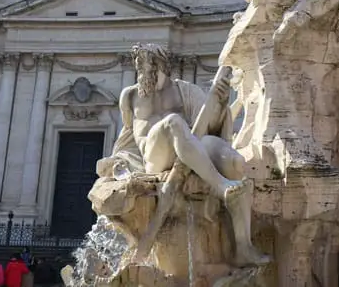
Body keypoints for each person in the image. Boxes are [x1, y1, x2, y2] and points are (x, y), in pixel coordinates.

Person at [106, 43, 268, 266]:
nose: (141, 73)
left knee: (236, 163)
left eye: (145, 66)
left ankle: (243, 247)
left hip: (190, 147)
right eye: (139, 67)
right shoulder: (131, 96)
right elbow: (127, 137)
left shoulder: (186, 91)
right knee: (174, 122)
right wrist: (119, 163)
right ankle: (222, 187)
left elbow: (210, 125)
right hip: (156, 158)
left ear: (161, 65)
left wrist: (220, 103)